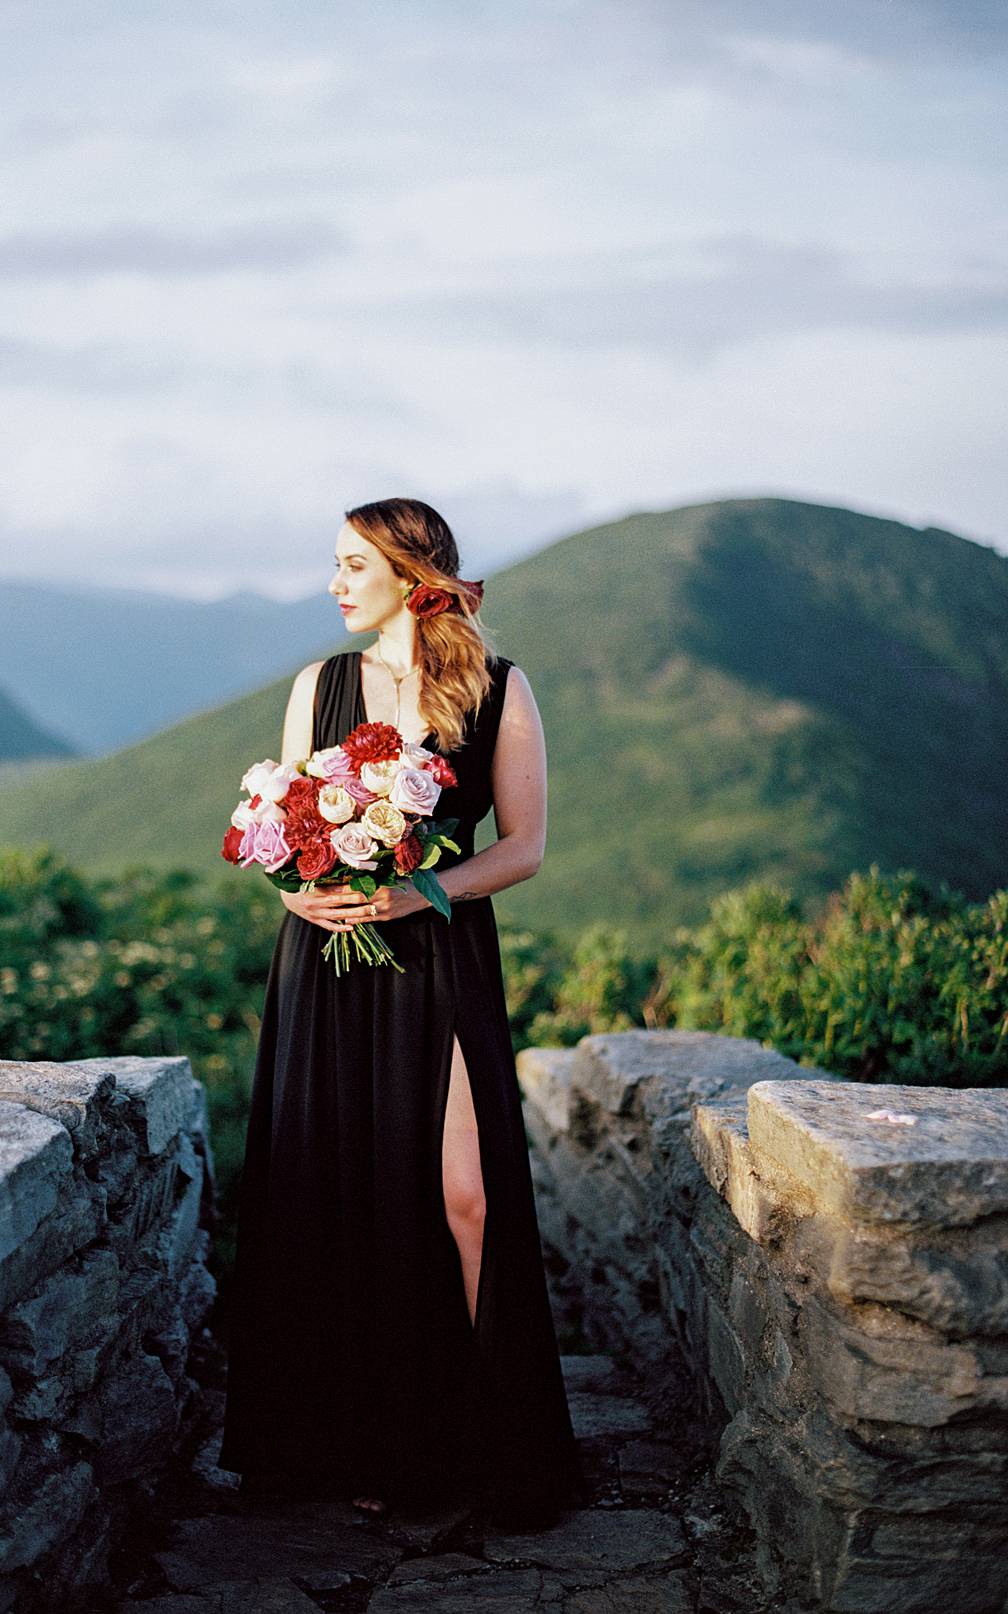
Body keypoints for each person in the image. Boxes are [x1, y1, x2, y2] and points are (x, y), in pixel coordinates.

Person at [216, 496, 582, 1526]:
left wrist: (417, 892)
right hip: (328, 960)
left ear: (406, 570)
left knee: (464, 1193)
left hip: (440, 957)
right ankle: (359, 1442)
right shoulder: (318, 687)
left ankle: (486, 1441)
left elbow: (523, 847)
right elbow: (282, 827)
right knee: (336, 1188)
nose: (333, 583)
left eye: (349, 564)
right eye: (333, 565)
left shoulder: (498, 689)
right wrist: (297, 885)